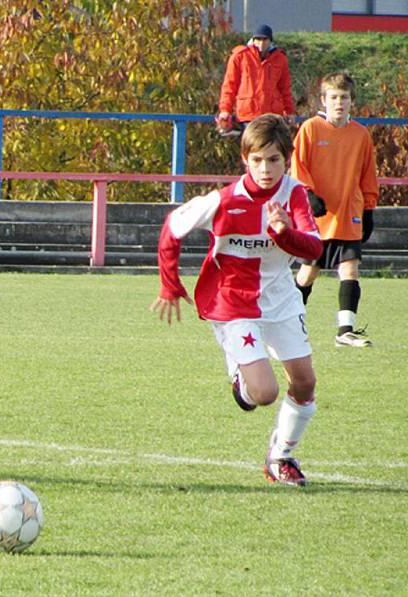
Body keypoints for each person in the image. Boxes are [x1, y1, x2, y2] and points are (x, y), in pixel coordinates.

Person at [150, 114, 323, 486]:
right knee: (262, 393)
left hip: (280, 299)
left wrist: (283, 234)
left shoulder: (293, 194)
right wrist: (169, 284)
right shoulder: (224, 201)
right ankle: (240, 374)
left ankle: (281, 458)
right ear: (245, 159)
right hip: (232, 301)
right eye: (257, 160)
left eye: (274, 159)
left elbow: (314, 247)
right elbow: (171, 228)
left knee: (305, 383)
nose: (265, 169)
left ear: (287, 159)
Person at [292, 73, 379, 348]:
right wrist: (308, 194)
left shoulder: (361, 135)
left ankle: (345, 330)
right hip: (318, 217)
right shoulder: (310, 129)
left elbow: (368, 174)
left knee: (350, 269)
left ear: (352, 101)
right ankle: (288, 324)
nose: (339, 102)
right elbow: (298, 166)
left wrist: (368, 209)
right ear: (323, 100)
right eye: (334, 97)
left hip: (349, 213)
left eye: (344, 97)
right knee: (308, 273)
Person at [216, 25, 297, 137]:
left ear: (270, 41)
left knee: (270, 150)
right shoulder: (240, 56)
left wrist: (289, 111)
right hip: (248, 114)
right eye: (258, 39)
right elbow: (230, 85)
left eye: (265, 40)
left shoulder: (280, 58)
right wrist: (225, 110)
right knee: (251, 149)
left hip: (272, 115)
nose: (261, 43)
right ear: (253, 40)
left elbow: (285, 88)